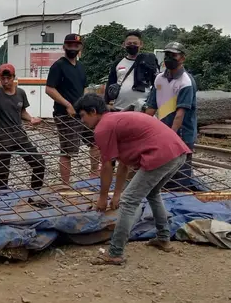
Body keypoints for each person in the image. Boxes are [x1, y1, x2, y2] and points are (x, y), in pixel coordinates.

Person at [74, 93, 189, 265]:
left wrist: (103, 198)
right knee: (152, 193)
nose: (83, 121)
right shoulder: (115, 120)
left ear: (93, 111)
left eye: (83, 115)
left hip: (161, 155)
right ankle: (164, 238)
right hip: (178, 152)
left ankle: (115, 253)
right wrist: (116, 193)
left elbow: (107, 166)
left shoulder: (103, 128)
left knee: (129, 201)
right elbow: (123, 164)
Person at [45, 33, 98, 184]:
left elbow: (83, 90)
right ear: (64, 47)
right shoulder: (58, 66)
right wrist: (67, 105)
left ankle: (94, 176)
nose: (73, 48)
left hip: (83, 114)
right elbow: (49, 89)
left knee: (96, 142)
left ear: (81, 47)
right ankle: (65, 185)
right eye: (69, 45)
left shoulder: (80, 67)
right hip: (65, 115)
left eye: (76, 45)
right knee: (68, 152)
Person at [145, 41, 198, 190]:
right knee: (163, 168)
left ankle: (182, 197)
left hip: (181, 132)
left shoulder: (186, 82)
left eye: (173, 55)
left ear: (182, 58)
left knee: (181, 171)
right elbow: (151, 107)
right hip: (162, 131)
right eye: (167, 55)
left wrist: (171, 135)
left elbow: (180, 114)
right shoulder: (159, 79)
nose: (169, 58)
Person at [0, 64, 45, 190]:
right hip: (3, 138)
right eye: (3, 78)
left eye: (8, 78)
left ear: (14, 77)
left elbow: (22, 111)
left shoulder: (21, 93)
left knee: (39, 163)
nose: (6, 81)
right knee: (2, 172)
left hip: (20, 136)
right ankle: (3, 198)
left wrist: (31, 119)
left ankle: (35, 194)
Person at [104, 30, 160, 111]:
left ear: (141, 44)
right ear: (124, 45)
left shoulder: (149, 62)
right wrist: (106, 103)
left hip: (141, 110)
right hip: (119, 108)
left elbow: (156, 84)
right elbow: (110, 83)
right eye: (129, 44)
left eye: (135, 43)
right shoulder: (117, 63)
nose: (132, 46)